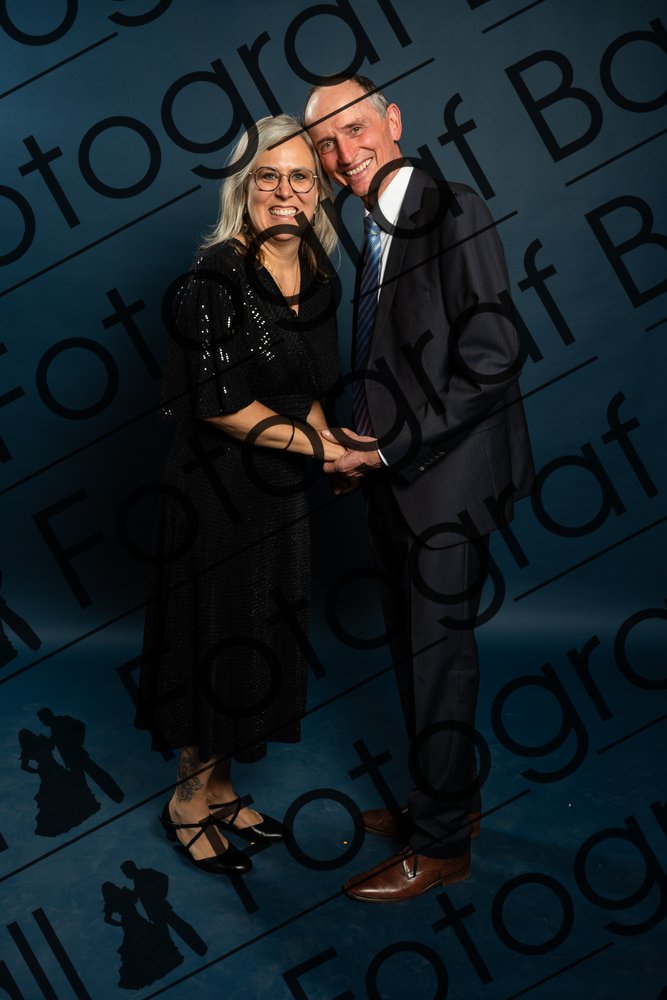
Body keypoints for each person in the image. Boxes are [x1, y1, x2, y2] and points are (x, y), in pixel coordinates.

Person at [304, 76, 535, 901]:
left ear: (392, 120)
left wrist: (387, 449)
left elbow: (494, 355)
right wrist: (353, 443)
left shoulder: (451, 208)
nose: (342, 154)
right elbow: (390, 355)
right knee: (411, 649)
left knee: (438, 660)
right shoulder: (368, 225)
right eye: (324, 144)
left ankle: (440, 848)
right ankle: (446, 802)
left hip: (448, 482)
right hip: (394, 477)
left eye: (354, 129)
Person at [136, 114, 344, 875]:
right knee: (216, 638)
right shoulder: (213, 280)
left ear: (318, 190)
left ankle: (222, 791)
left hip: (279, 494)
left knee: (258, 641)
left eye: (300, 176)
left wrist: (336, 446)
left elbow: (308, 386)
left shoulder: (320, 276)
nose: (284, 191)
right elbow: (222, 406)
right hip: (215, 495)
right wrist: (322, 449)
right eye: (267, 176)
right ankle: (187, 802)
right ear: (243, 189)